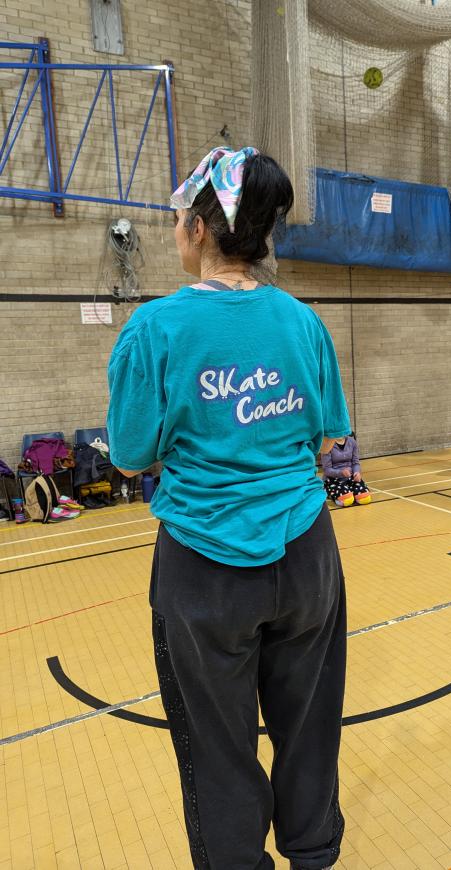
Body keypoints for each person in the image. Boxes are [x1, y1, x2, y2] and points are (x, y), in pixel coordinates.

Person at [107, 146, 350, 870]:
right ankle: (313, 856)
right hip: (306, 553)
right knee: (308, 727)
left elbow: (128, 455)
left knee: (216, 744)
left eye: (179, 216)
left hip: (203, 565)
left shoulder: (153, 329)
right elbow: (328, 434)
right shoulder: (303, 322)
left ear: (198, 230)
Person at [321, 433, 372, 507]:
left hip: (351, 477)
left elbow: (356, 462)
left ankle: (349, 490)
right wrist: (341, 473)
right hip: (333, 479)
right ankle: (329, 491)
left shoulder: (352, 441)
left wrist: (357, 472)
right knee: (347, 500)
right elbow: (327, 470)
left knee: (365, 498)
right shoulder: (327, 444)